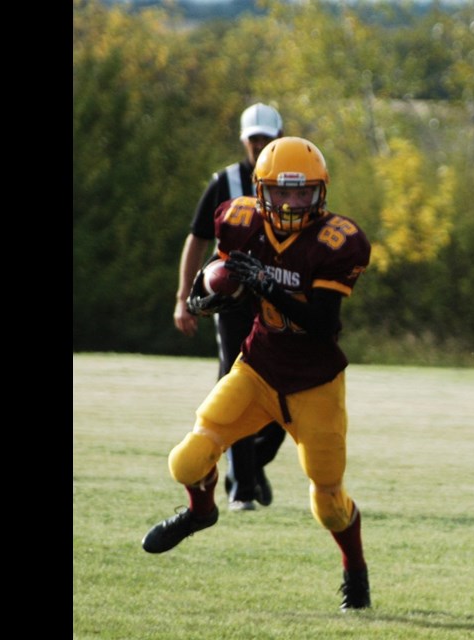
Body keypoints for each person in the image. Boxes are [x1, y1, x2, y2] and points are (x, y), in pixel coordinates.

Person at [144, 136, 374, 611]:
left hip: (315, 384)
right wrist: (208, 293)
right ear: (261, 190)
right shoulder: (241, 219)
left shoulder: (337, 241)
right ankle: (200, 511)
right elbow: (217, 272)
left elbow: (322, 324)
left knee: (329, 503)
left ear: (320, 193)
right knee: (186, 461)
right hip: (258, 370)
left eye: (302, 193)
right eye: (282, 193)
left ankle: (355, 569)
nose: (291, 203)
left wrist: (266, 284)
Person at [173, 102, 288, 511]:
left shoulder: (294, 180)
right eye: (253, 138)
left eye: (266, 138)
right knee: (235, 384)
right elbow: (197, 237)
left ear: (278, 138)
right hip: (234, 303)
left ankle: (252, 466)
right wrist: (182, 298)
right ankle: (243, 489)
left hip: (279, 299)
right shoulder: (226, 181)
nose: (259, 145)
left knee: (286, 387)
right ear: (244, 140)